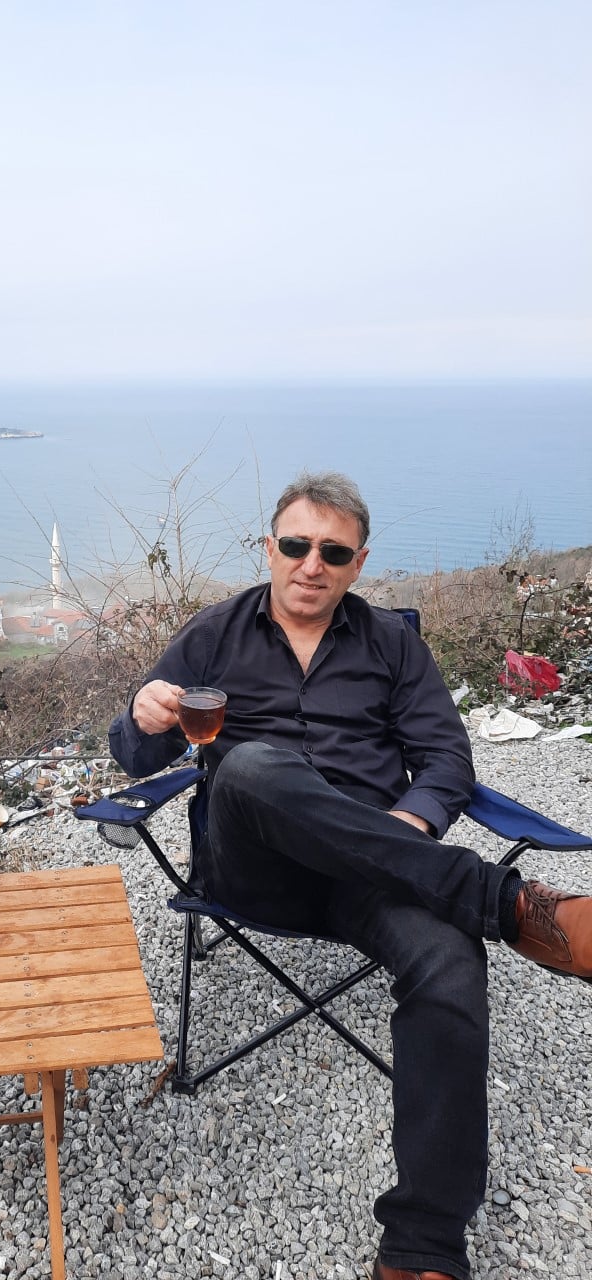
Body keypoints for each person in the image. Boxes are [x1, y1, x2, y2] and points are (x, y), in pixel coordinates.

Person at [108, 470, 592, 1280]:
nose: (312, 564)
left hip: (380, 868)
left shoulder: (391, 644)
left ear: (358, 564)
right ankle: (506, 903)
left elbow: (446, 758)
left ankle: (424, 1245)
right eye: (296, 545)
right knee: (252, 766)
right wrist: (142, 715)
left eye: (333, 552)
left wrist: (412, 826)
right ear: (270, 548)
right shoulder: (212, 636)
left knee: (450, 961)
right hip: (255, 867)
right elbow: (134, 756)